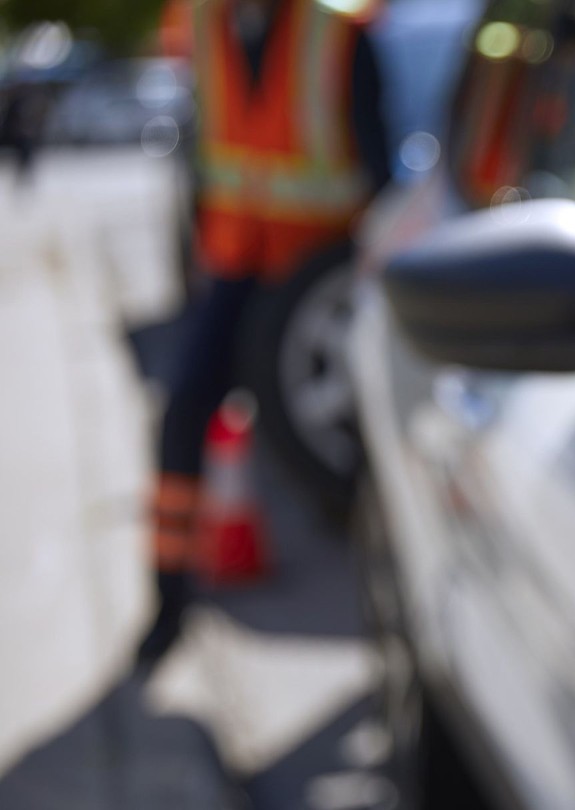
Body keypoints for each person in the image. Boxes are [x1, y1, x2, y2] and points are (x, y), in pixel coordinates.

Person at [139, 0, 391, 663]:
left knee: (358, 453)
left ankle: (391, 609)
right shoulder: (206, 27)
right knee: (182, 410)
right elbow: (205, 150)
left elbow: (379, 174)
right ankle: (168, 600)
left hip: (316, 286)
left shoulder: (337, 36)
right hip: (235, 265)